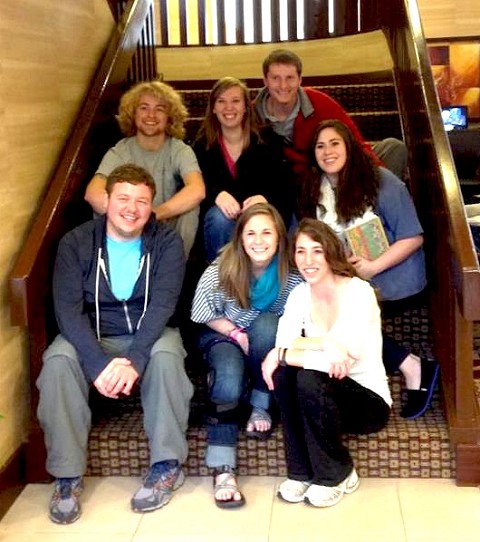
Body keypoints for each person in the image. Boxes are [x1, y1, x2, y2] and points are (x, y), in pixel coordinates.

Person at [37, 164, 194, 524]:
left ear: (152, 206)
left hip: (148, 333)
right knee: (58, 360)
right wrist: (97, 364)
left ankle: (167, 465)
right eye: (123, 198)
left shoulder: (167, 243)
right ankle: (66, 476)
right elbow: (67, 310)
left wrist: (135, 359)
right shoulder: (76, 243)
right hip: (93, 335)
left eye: (142, 201)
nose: (132, 208)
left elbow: (163, 306)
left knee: (167, 355)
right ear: (106, 201)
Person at [296, 118, 439, 419]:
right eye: (320, 146)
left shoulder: (381, 181)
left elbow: (413, 236)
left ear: (349, 146)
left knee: (340, 310)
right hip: (345, 279)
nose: (328, 152)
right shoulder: (312, 189)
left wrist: (372, 267)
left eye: (335, 143)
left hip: (393, 274)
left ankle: (411, 366)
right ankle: (406, 364)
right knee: (311, 308)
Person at [262, 219, 392, 508]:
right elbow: (284, 342)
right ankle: (300, 472)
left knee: (308, 376)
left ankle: (337, 472)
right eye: (301, 251)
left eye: (316, 251)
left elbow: (342, 360)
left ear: (330, 252)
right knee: (284, 376)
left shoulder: (359, 292)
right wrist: (324, 343)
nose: (308, 260)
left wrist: (284, 353)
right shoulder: (299, 294)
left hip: (367, 404)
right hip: (321, 397)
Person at [190, 203, 302, 508]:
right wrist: (235, 333)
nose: (259, 240)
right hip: (221, 331)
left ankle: (260, 403)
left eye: (267, 233)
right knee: (228, 372)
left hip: (266, 341)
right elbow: (202, 314)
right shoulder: (221, 268)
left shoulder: (291, 273)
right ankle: (222, 466)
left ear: (279, 237)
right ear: (240, 237)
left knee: (267, 324)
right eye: (251, 233)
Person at [85, 80, 205, 257]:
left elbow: (197, 190)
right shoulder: (121, 151)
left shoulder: (179, 150)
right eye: (144, 108)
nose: (151, 115)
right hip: (127, 227)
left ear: (170, 117)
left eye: (160, 109)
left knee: (191, 208)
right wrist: (129, 216)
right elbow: (92, 193)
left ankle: (175, 267)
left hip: (165, 230)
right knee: (101, 205)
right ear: (133, 114)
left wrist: (152, 214)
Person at [254, 48, 407, 182]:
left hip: (328, 169)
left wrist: (381, 180)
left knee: (393, 148)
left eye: (290, 78)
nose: (283, 86)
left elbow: (354, 141)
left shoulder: (318, 101)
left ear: (300, 80)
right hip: (285, 181)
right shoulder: (251, 114)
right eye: (276, 78)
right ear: (265, 81)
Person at [193, 76, 293, 262]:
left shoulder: (267, 140)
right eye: (221, 101)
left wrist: (265, 198)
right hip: (223, 223)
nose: (228, 107)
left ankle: (278, 274)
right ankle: (221, 276)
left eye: (235, 101)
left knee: (284, 216)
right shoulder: (202, 147)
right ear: (213, 108)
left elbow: (287, 186)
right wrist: (216, 195)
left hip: (260, 216)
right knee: (218, 217)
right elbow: (194, 190)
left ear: (246, 106)